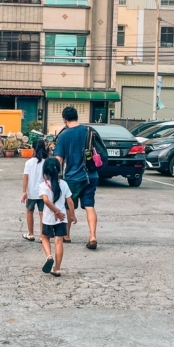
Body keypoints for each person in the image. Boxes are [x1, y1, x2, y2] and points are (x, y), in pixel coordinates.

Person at [52, 106, 103, 250]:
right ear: (77, 117)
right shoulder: (89, 131)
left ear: (64, 119)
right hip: (91, 175)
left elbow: (59, 159)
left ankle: (67, 235)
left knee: (69, 205)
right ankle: (92, 236)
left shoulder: (64, 135)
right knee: (89, 206)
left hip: (73, 177)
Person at [38, 157, 74, 277]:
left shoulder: (43, 185)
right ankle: (57, 268)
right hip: (62, 219)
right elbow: (69, 201)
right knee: (59, 242)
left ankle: (49, 256)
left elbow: (46, 201)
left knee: (44, 237)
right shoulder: (64, 184)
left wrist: (55, 212)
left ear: (45, 171)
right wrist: (72, 216)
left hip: (48, 218)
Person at [21, 139, 49, 241]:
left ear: (34, 148)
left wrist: (24, 191)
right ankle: (42, 236)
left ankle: (30, 233)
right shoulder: (46, 162)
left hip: (31, 192)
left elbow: (26, 178)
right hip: (43, 193)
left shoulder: (29, 163)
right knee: (42, 213)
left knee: (29, 211)